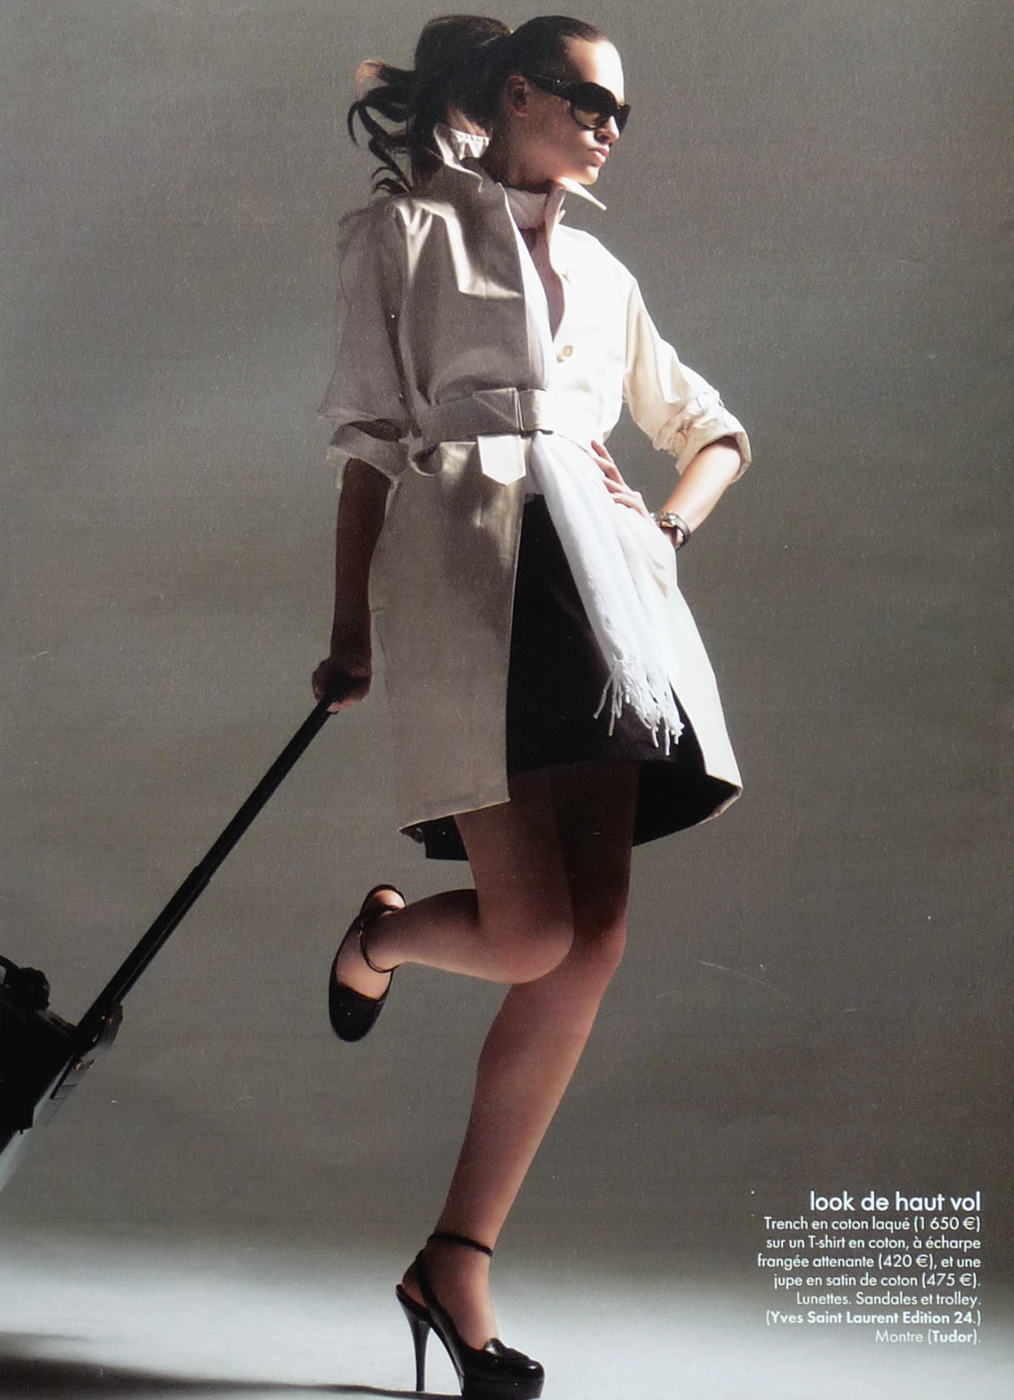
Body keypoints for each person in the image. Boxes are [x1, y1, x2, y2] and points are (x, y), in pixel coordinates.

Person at [313, 15, 751, 1398]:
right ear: (514, 92)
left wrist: (663, 527)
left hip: (605, 596)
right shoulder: (403, 234)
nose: (608, 127)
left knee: (591, 941)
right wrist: (347, 629)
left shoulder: (606, 272)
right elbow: (370, 443)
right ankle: (381, 940)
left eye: (621, 111)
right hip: (470, 579)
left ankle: (456, 1261)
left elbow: (713, 431)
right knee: (533, 928)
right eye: (586, 101)